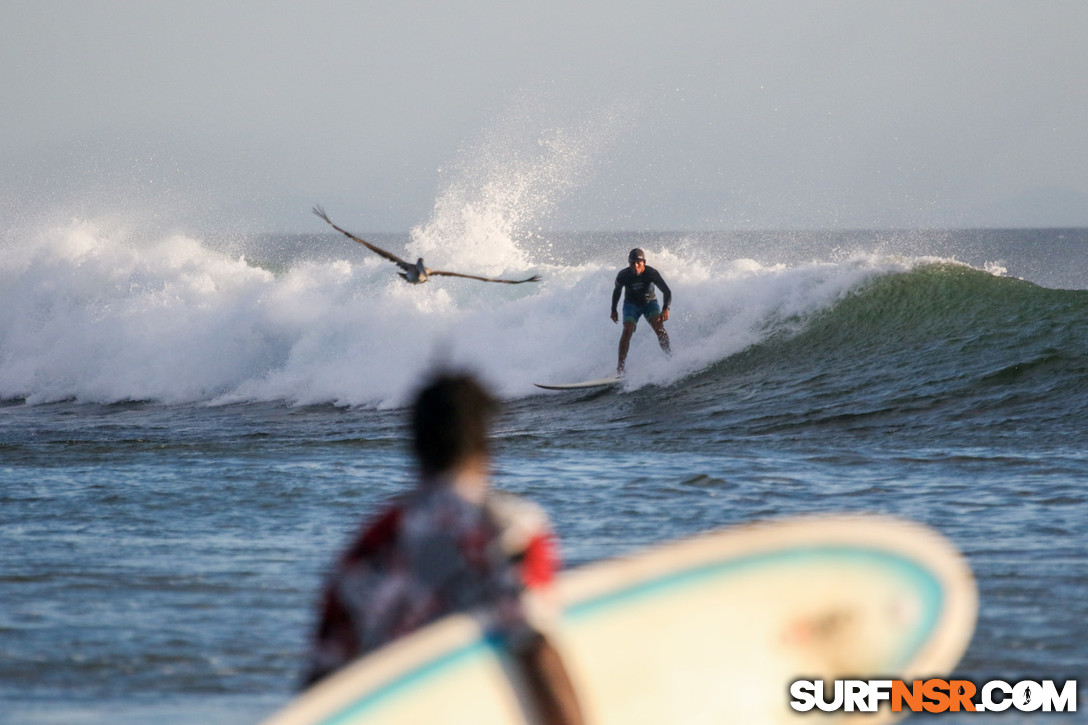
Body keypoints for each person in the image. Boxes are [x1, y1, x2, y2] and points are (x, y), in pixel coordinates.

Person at [303, 372, 584, 725]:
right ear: (486, 444)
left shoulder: (370, 541)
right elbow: (535, 649)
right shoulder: (508, 528)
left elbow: (320, 677)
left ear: (415, 447)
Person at [610, 247, 672, 375]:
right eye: (632, 263)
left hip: (649, 303)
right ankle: (620, 369)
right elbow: (617, 291)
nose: (636, 266)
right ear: (629, 263)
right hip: (631, 304)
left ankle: (670, 357)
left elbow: (667, 291)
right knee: (627, 330)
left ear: (644, 262)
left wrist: (666, 308)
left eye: (639, 263)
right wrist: (613, 310)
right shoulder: (623, 275)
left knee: (659, 327)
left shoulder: (652, 273)